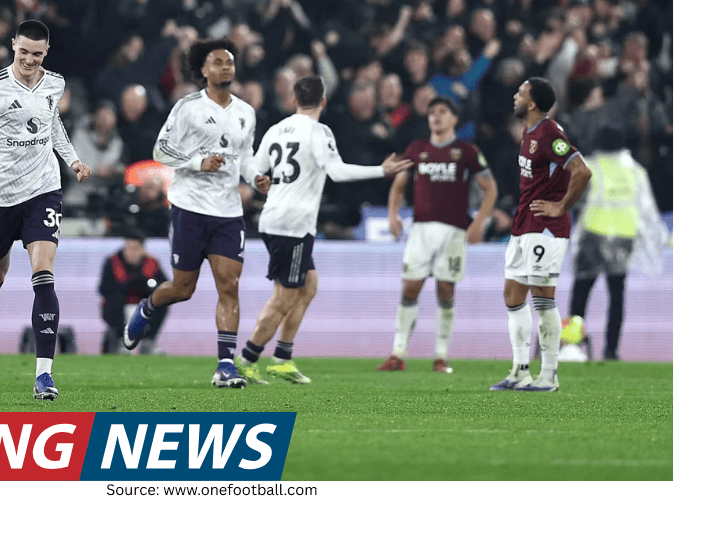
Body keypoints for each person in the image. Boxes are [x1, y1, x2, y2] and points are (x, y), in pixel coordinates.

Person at [234, 75, 413, 385]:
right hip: (293, 224)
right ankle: (247, 359)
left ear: (294, 100)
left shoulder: (276, 129)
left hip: (276, 218)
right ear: (324, 101)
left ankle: (282, 358)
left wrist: (256, 180)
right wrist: (380, 170)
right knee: (284, 296)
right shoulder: (319, 132)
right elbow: (337, 172)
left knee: (308, 285)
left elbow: (253, 167)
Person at [0, 20, 92, 400]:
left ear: (46, 52)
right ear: (13, 45)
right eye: (23, 51)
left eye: (37, 54)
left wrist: (73, 160)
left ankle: (44, 374)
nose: (29, 60)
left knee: (43, 275)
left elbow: (53, 125)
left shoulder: (56, 83)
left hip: (43, 190)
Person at [122, 38, 269, 388]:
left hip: (228, 212)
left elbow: (245, 157)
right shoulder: (187, 107)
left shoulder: (245, 113)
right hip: (190, 208)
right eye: (218, 62)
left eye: (229, 62)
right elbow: (161, 150)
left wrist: (255, 177)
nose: (226, 67)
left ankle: (225, 366)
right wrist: (198, 162)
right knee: (182, 288)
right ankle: (148, 307)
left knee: (229, 285)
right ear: (203, 70)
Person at [378, 96, 497, 373]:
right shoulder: (417, 149)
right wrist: (393, 215)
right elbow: (399, 184)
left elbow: (490, 188)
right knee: (410, 288)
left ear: (454, 118)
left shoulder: (466, 151)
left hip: (453, 232)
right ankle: (397, 354)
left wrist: (479, 222)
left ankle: (441, 356)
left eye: (442, 112)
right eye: (432, 112)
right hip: (420, 230)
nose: (436, 116)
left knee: (446, 290)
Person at [490, 78, 592, 393]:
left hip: (546, 229)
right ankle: (520, 370)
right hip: (524, 225)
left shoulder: (549, 133)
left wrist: (561, 206)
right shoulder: (530, 132)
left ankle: (548, 375)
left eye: (520, 93)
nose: (515, 96)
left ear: (532, 103)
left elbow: (582, 170)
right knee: (512, 295)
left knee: (543, 298)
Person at [563, 126, 668, 362]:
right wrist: (653, 239)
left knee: (581, 293)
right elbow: (647, 209)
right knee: (617, 296)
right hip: (623, 237)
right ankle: (611, 350)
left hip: (593, 235)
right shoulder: (635, 171)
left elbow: (574, 200)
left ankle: (572, 345)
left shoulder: (590, 166)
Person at [98, 231, 170, 355]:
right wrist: (127, 285)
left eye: (135, 249)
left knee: (160, 302)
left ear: (142, 249)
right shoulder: (112, 262)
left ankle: (148, 341)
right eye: (128, 248)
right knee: (114, 300)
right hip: (120, 305)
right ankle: (120, 340)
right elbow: (104, 288)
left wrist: (146, 285)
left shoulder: (152, 263)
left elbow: (164, 287)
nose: (131, 252)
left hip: (143, 304)